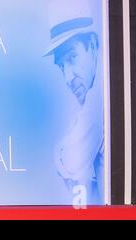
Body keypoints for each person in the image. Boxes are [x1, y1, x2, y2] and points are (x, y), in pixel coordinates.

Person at [43, 17, 104, 203]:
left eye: (72, 58)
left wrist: (59, 151)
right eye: (62, 66)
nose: (68, 77)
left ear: (92, 46)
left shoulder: (99, 100)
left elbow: (70, 161)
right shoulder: (91, 105)